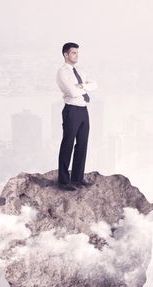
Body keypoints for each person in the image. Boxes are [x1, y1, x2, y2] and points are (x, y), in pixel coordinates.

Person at [56, 42, 97, 191]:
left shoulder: (80, 70)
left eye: (77, 53)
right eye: (73, 53)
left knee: (82, 144)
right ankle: (63, 181)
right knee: (67, 144)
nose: (76, 55)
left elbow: (95, 85)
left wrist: (82, 86)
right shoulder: (62, 72)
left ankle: (77, 178)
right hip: (71, 110)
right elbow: (72, 93)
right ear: (66, 54)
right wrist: (83, 87)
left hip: (83, 110)